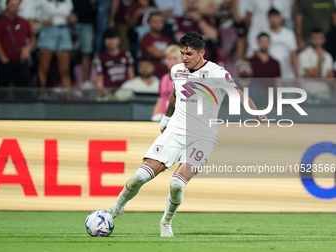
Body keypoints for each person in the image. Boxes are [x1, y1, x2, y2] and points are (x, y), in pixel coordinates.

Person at [105, 32, 267, 237]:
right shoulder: (177, 71)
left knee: (176, 183)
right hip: (175, 131)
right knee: (140, 176)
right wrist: (165, 119)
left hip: (203, 137)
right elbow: (174, 95)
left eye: (189, 54)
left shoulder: (217, 73)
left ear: (201, 53)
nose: (184, 58)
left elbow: (240, 96)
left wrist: (257, 112)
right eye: (182, 53)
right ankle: (115, 209)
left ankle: (166, 222)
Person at [0, 0, 36, 101]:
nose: (15, 8)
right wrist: (2, 57)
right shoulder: (1, 22)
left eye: (17, 5)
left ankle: (24, 114)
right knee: (2, 91)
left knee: (23, 91)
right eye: (12, 6)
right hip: (6, 62)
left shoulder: (22, 22)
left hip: (21, 61)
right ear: (6, 7)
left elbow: (32, 37)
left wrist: (28, 48)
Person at [36, 0, 75, 91]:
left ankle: (68, 99)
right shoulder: (41, 1)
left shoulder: (67, 1)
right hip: (48, 30)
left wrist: (72, 19)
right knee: (44, 68)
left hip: (64, 30)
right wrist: (42, 23)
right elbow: (32, 18)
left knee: (65, 70)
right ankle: (41, 96)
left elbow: (71, 15)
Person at [95, 28, 134, 100]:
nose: (111, 41)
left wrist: (131, 89)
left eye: (113, 38)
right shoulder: (101, 58)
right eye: (108, 39)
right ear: (104, 41)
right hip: (109, 91)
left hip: (124, 90)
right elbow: (100, 77)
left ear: (119, 40)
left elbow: (131, 74)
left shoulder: (126, 55)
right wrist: (101, 92)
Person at [299, 27, 334, 103]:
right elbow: (313, 74)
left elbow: (331, 79)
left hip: (324, 95)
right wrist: (320, 60)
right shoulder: (304, 55)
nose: (317, 41)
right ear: (310, 39)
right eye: (314, 38)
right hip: (308, 94)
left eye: (320, 38)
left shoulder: (328, 56)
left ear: (324, 40)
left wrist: (314, 77)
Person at [151, 44, 182, 121]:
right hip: (164, 116)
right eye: (169, 58)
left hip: (180, 117)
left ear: (182, 60)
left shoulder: (187, 78)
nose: (172, 62)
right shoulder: (164, 78)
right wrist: (152, 120)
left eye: (175, 58)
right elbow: (160, 99)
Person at [267, 8, 298, 79]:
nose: (273, 20)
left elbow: (294, 56)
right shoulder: (264, 34)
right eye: (271, 17)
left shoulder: (289, 34)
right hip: (270, 75)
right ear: (268, 19)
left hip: (287, 75)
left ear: (280, 18)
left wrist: (297, 76)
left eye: (275, 17)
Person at [72, 0, 97, 89]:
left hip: (87, 21)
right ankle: (70, 82)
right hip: (69, 22)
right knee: (66, 53)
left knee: (86, 52)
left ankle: (86, 82)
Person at [140, 12, 172, 78]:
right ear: (149, 23)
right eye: (154, 21)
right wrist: (171, 53)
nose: (157, 23)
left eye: (160, 21)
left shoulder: (166, 38)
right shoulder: (146, 38)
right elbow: (156, 54)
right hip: (153, 76)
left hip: (167, 75)